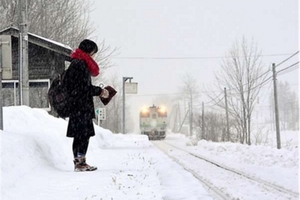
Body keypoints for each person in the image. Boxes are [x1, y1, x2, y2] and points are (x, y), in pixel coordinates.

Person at [63, 39, 109, 172]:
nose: (93, 56)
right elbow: (84, 88)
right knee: (83, 135)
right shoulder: (81, 65)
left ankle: (79, 162)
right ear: (89, 51)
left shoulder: (75, 63)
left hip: (77, 106)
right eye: (93, 52)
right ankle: (80, 163)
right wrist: (100, 91)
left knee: (80, 135)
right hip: (81, 107)